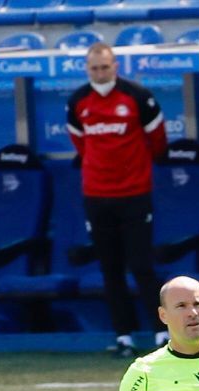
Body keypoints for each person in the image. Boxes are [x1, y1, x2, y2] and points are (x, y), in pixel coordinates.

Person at [67, 42, 168, 357]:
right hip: (97, 196)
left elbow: (158, 142)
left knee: (142, 266)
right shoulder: (78, 101)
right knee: (110, 269)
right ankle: (123, 337)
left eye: (105, 67)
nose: (100, 73)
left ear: (116, 66)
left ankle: (161, 334)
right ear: (87, 69)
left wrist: (132, 171)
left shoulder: (138, 97)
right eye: (94, 68)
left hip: (135, 195)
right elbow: (81, 144)